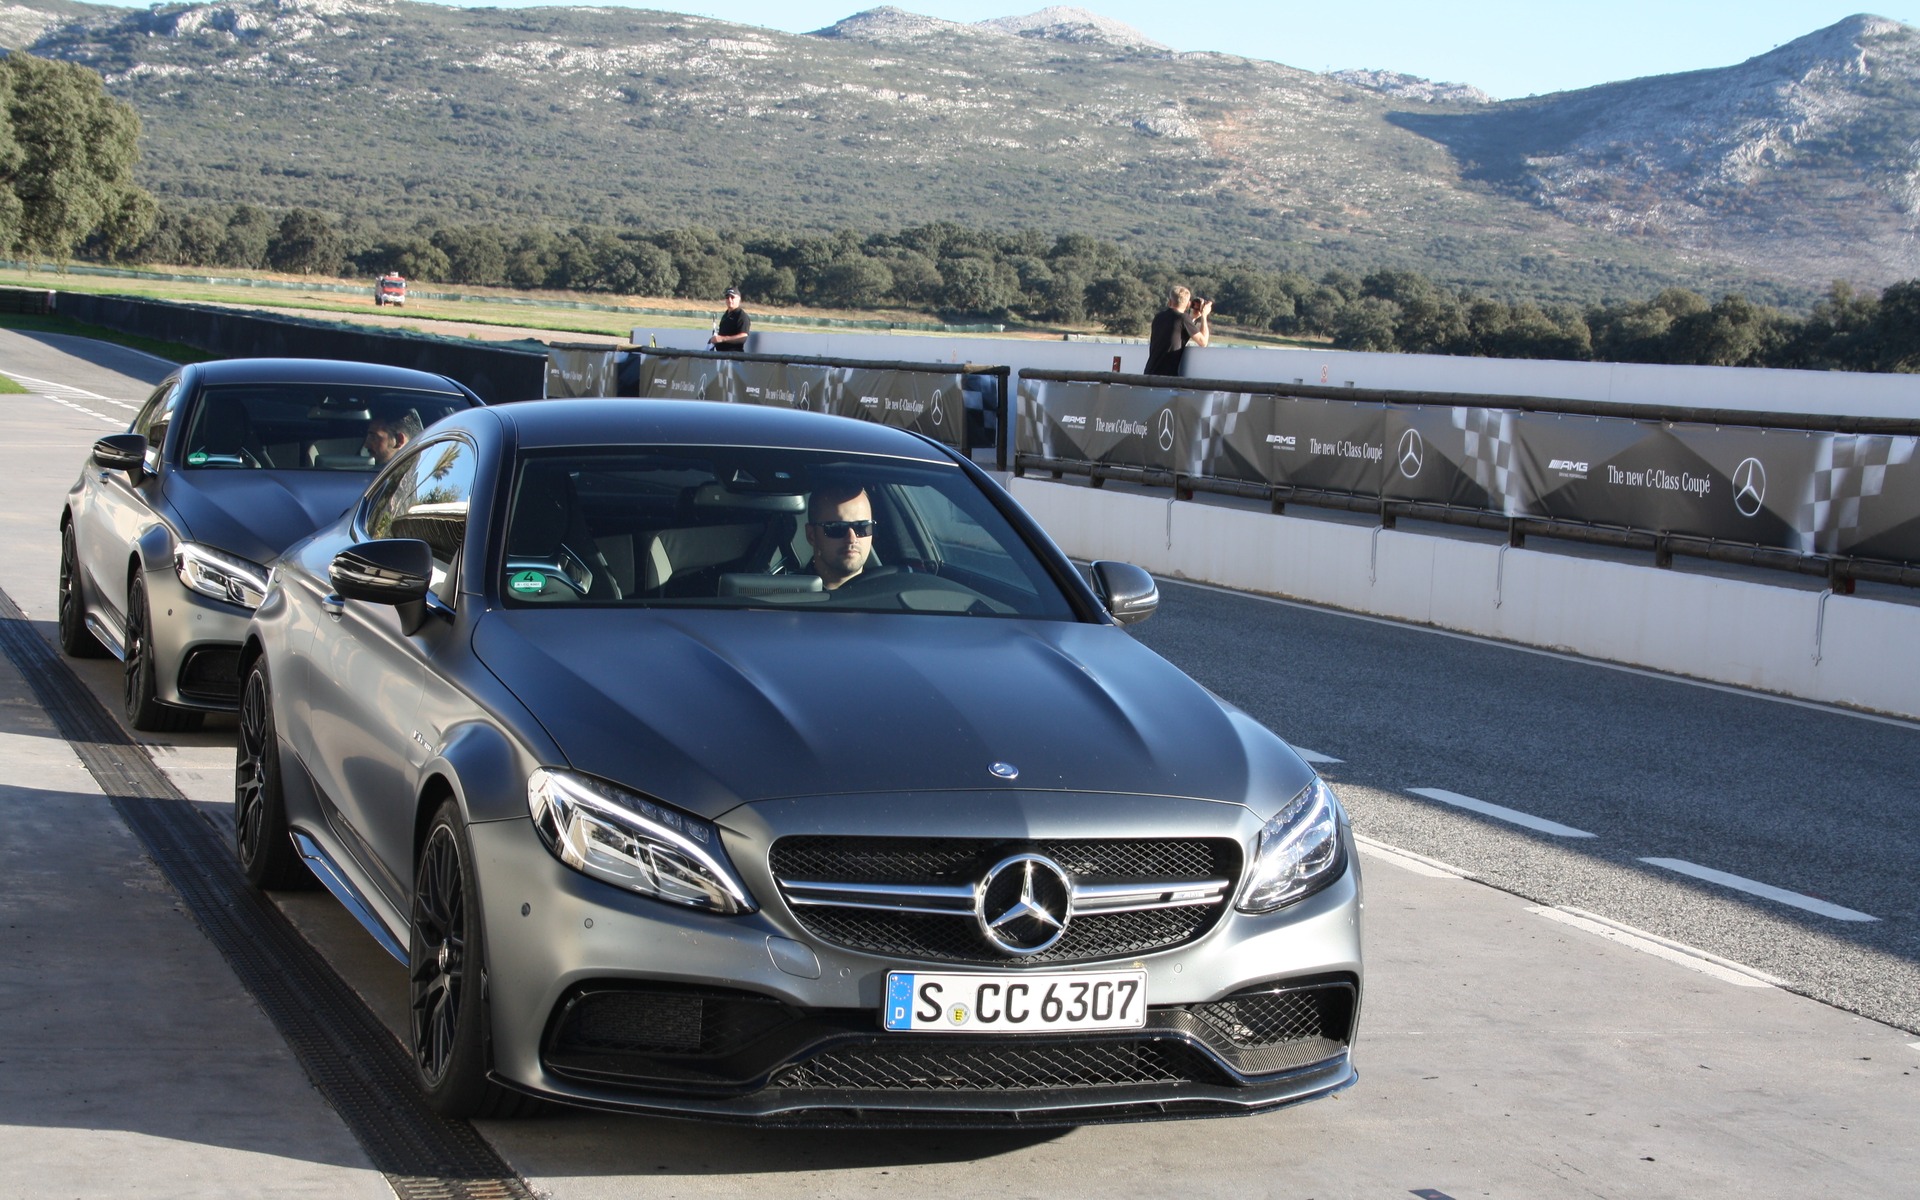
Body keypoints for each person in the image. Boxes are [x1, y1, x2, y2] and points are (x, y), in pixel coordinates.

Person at [803, 485, 875, 590]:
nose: (852, 539)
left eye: (862, 527)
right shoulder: (787, 596)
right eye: (837, 528)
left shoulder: (891, 593)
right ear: (811, 535)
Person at [1142, 285, 1211, 377]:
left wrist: (1192, 318)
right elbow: (1203, 342)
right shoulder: (1183, 319)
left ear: (1169, 302)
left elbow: (1177, 328)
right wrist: (1204, 316)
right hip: (1166, 375)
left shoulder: (1158, 317)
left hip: (1149, 372)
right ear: (1188, 304)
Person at [708, 287, 751, 353]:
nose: (729, 300)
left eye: (732, 297)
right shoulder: (726, 315)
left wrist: (722, 339)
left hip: (734, 357)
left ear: (739, 299)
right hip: (721, 356)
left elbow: (742, 337)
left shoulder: (742, 316)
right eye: (727, 297)